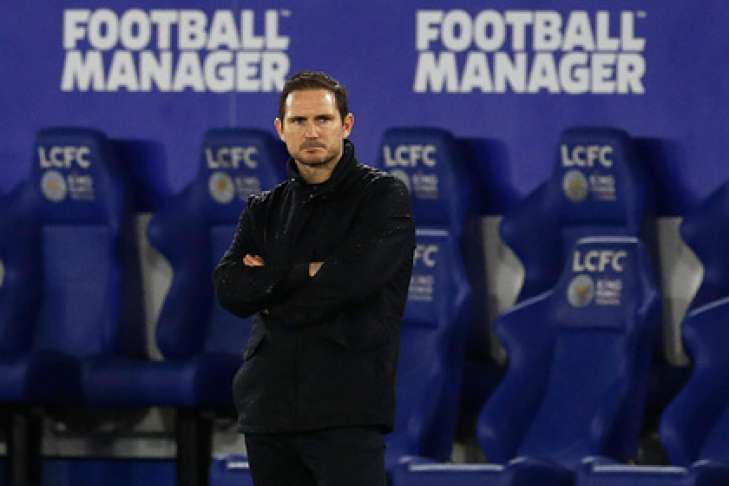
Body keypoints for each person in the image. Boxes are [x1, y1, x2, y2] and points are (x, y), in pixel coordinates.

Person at [213, 71, 416, 486]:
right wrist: (309, 272)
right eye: (298, 121)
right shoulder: (263, 208)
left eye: (323, 119)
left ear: (346, 124)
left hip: (346, 408)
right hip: (268, 407)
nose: (311, 132)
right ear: (280, 129)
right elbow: (229, 288)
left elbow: (352, 282)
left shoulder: (383, 197)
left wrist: (270, 284)